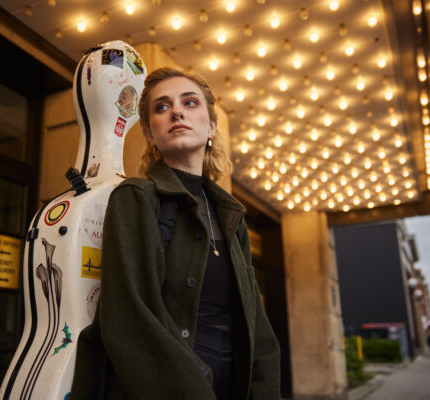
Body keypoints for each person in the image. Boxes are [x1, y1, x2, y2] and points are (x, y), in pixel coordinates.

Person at [71, 67, 281, 400]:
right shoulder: (136, 197)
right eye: (162, 106)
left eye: (190, 102)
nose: (177, 111)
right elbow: (129, 317)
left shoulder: (232, 216)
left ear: (211, 126)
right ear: (150, 134)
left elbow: (258, 328)